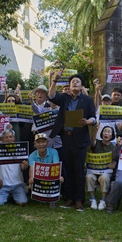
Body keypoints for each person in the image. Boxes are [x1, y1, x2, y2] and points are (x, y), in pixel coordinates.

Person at [48, 70, 96, 212]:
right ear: (69, 86)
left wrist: (87, 121)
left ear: (81, 86)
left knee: (78, 170)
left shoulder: (87, 101)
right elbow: (51, 96)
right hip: (66, 138)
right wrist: (54, 81)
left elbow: (94, 118)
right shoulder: (65, 98)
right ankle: (69, 198)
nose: (75, 83)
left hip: (80, 139)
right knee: (67, 169)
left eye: (77, 82)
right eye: (72, 82)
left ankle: (79, 199)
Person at [85, 126, 119, 211]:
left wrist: (114, 163)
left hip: (106, 171)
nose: (106, 133)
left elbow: (115, 159)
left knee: (104, 178)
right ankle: (92, 199)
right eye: (104, 131)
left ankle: (103, 200)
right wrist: (95, 131)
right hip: (93, 170)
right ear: (101, 134)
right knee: (89, 177)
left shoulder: (114, 147)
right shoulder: (97, 143)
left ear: (112, 136)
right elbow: (92, 142)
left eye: (109, 132)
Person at [0, 129, 29, 206]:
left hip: (18, 184)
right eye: (6, 137)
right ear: (2, 139)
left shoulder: (20, 150)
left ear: (14, 138)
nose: (9, 139)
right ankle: (9, 196)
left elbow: (23, 168)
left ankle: (13, 195)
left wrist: (24, 166)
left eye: (11, 137)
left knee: (23, 203)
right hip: (3, 185)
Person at [28, 133, 63, 208]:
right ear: (35, 144)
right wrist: (31, 178)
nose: (41, 144)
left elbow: (56, 166)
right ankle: (39, 197)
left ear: (47, 143)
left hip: (50, 177)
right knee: (31, 180)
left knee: (59, 178)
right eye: (38, 142)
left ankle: (52, 200)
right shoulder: (31, 155)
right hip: (39, 178)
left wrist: (59, 177)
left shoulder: (54, 152)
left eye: (43, 142)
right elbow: (32, 168)